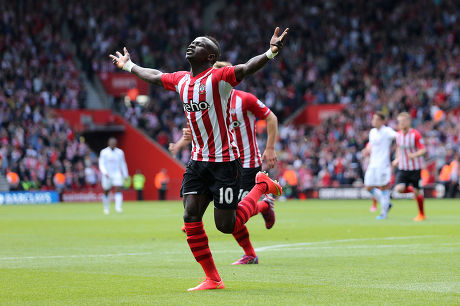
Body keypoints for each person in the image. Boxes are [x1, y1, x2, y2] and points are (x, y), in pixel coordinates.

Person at [110, 27, 288, 291]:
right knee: (190, 215)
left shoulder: (219, 77)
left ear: (210, 55)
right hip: (197, 162)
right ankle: (213, 278)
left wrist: (270, 52)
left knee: (226, 226)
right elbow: (156, 76)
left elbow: (247, 67)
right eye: (192, 42)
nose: (192, 45)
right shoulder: (181, 80)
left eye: (199, 44)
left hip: (225, 162)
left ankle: (261, 186)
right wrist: (130, 66)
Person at [169, 61, 279, 265]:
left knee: (233, 213)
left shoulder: (244, 99)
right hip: (216, 162)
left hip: (245, 164)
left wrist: (270, 148)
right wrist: (184, 140)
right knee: (227, 214)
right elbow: (199, 130)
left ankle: (262, 208)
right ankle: (261, 211)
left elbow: (271, 118)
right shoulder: (205, 99)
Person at [392, 112, 427, 221]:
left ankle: (421, 214)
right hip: (403, 167)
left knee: (416, 192)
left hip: (415, 168)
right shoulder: (398, 135)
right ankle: (415, 191)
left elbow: (423, 149)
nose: (401, 123)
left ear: (408, 122)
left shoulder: (415, 134)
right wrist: (397, 159)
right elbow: (398, 148)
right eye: (399, 122)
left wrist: (414, 155)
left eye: (403, 121)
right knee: (398, 189)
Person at [361, 112, 396, 220]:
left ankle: (383, 213)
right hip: (372, 164)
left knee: (383, 187)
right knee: (368, 186)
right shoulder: (372, 132)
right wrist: (366, 150)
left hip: (383, 164)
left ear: (382, 121)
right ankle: (386, 203)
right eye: (373, 119)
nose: (373, 121)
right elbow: (372, 145)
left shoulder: (387, 131)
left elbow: (398, 137)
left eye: (376, 119)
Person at [98, 137, 129, 214]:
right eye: (112, 143)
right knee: (106, 191)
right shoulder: (104, 152)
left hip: (117, 173)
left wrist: (125, 175)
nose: (113, 145)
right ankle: (106, 208)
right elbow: (101, 163)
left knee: (118, 189)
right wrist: (104, 172)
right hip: (107, 174)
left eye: (114, 143)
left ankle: (118, 208)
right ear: (109, 144)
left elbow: (123, 164)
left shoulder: (120, 152)